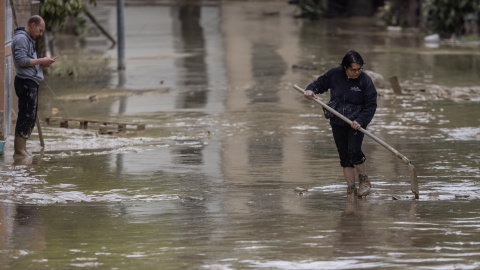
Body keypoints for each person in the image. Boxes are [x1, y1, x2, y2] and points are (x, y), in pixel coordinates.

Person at [304, 50, 377, 197]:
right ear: (345, 67)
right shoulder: (334, 74)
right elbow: (319, 84)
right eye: (353, 70)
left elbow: (371, 105)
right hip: (338, 119)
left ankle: (364, 180)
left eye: (359, 69)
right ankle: (350, 190)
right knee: (344, 155)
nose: (357, 73)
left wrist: (360, 121)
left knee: (354, 150)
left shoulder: (365, 80)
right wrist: (310, 90)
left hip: (356, 121)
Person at [12, 15, 55, 158]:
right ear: (32, 25)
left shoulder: (28, 39)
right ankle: (19, 152)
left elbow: (27, 60)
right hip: (25, 82)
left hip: (31, 81)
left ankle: (22, 149)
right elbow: (21, 61)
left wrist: (41, 62)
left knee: (30, 116)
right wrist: (41, 60)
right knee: (25, 115)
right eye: (40, 30)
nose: (41, 34)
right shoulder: (21, 39)